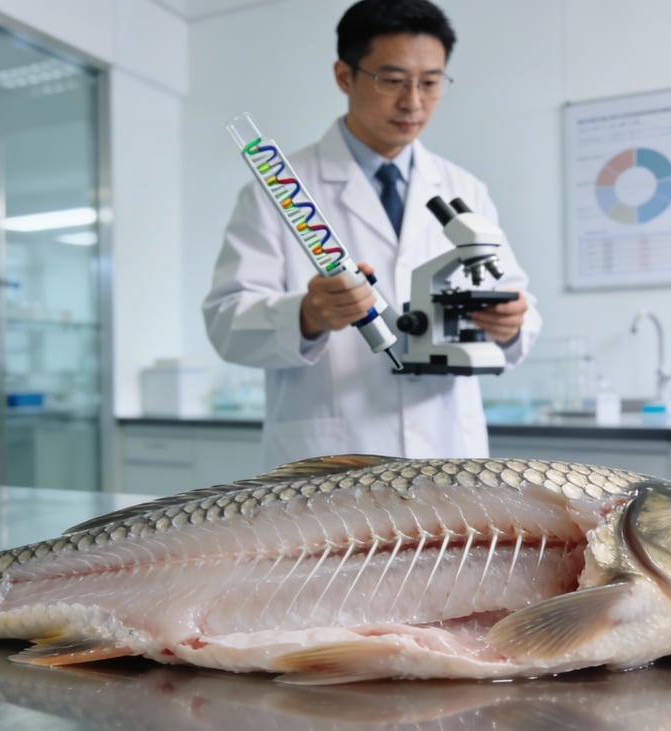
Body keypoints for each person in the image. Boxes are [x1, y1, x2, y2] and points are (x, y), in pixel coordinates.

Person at [203, 0, 541, 469]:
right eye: (393, 80)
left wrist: (511, 323)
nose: (413, 102)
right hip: (330, 459)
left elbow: (520, 307)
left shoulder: (465, 189)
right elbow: (227, 324)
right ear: (345, 76)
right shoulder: (278, 189)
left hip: (448, 451)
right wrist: (307, 314)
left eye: (430, 82)